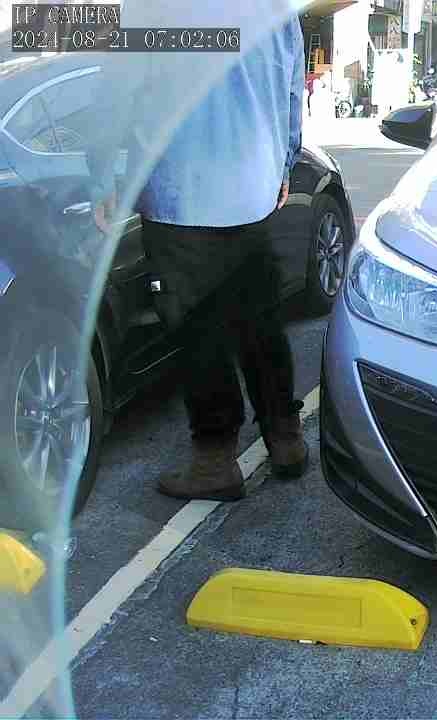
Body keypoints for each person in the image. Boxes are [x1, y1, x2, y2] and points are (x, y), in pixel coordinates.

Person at [87, 12, 308, 501]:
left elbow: (116, 94)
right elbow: (292, 92)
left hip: (182, 194)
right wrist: (284, 163)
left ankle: (214, 461)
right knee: (260, 322)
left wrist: (102, 175)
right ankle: (285, 439)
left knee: (199, 333)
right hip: (252, 190)